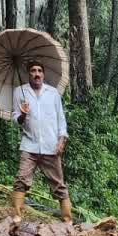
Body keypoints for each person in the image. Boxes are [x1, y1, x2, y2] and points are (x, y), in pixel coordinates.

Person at [10, 60, 72, 224]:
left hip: (51, 146)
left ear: (43, 74)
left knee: (59, 185)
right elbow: (16, 119)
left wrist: (61, 141)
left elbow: (61, 119)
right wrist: (23, 114)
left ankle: (68, 221)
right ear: (28, 74)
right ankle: (16, 217)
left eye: (39, 71)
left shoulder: (53, 93)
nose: (36, 74)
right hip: (29, 145)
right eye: (32, 71)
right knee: (21, 180)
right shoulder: (19, 92)